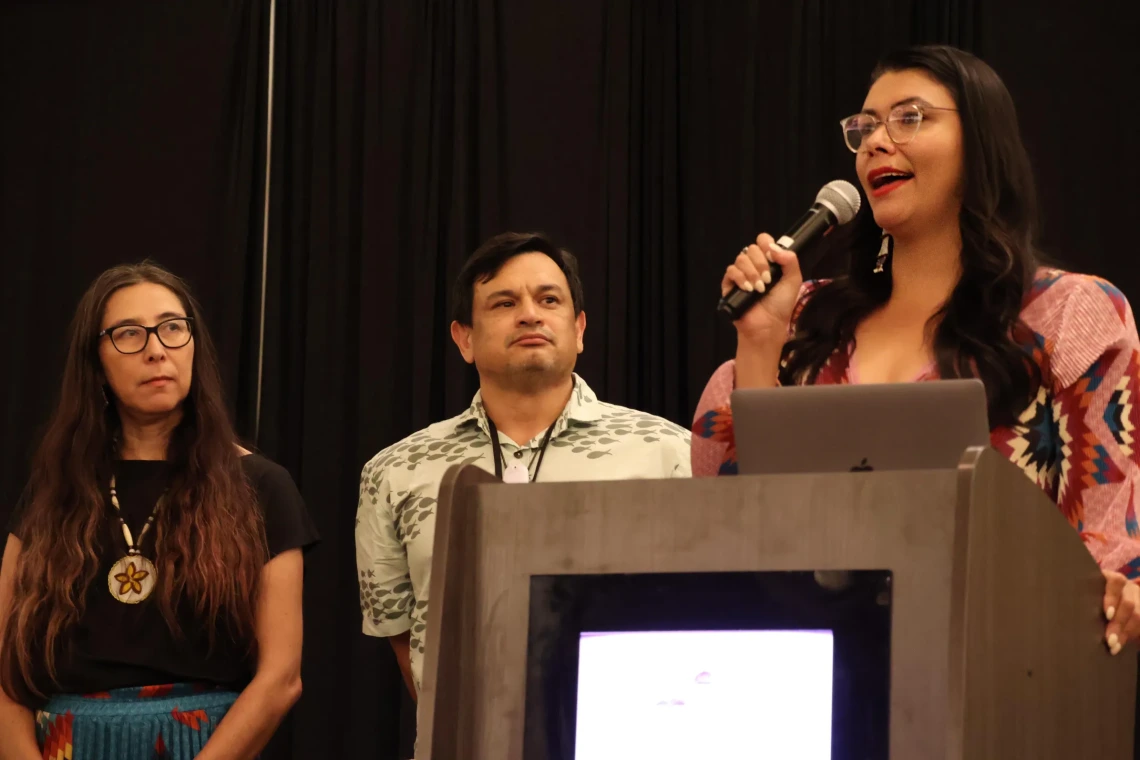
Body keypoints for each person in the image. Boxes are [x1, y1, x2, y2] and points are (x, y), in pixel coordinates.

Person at [692, 44, 1140, 656]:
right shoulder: (804, 316)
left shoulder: (1066, 314)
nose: (876, 142)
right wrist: (761, 342)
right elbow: (735, 529)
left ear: (979, 143)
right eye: (865, 127)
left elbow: (1109, 542)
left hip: (1002, 666)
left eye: (910, 118)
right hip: (815, 663)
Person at [356, 232, 691, 710]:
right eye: (504, 303)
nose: (530, 314)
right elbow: (403, 634)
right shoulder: (394, 473)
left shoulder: (670, 453)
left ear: (579, 328)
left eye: (549, 299)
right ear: (465, 339)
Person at [0, 263, 319, 760]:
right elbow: (4, 669)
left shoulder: (260, 488)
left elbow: (280, 678)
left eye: (172, 327)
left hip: (206, 746)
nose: (156, 349)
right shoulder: (54, 490)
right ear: (95, 362)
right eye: (129, 333)